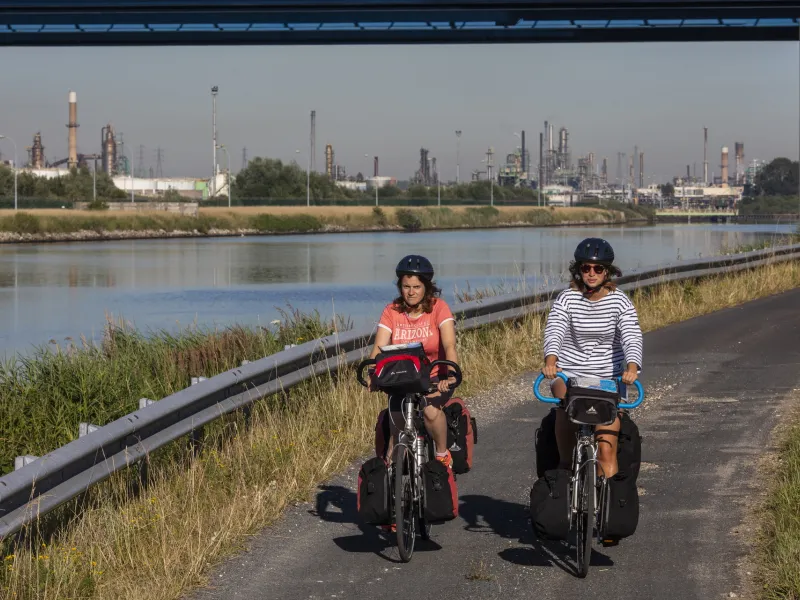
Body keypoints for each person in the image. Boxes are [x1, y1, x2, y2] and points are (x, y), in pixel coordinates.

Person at [541, 237, 643, 480]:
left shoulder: (620, 301)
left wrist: (631, 367)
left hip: (608, 377)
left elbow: (631, 335)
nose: (591, 273)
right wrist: (551, 360)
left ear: (607, 271)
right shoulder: (567, 298)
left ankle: (606, 504)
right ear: (578, 270)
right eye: (586, 268)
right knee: (563, 406)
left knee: (606, 450)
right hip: (571, 373)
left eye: (598, 268)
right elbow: (555, 329)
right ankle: (565, 466)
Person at [368, 254, 459, 469]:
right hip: (402, 377)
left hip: (435, 377)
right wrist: (372, 373)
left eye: (416, 287)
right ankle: (392, 470)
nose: (411, 292)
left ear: (426, 287)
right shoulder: (392, 311)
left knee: (429, 411)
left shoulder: (439, 308)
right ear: (400, 287)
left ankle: (442, 454)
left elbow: (449, 345)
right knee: (396, 420)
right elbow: (378, 348)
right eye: (406, 286)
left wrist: (451, 375)